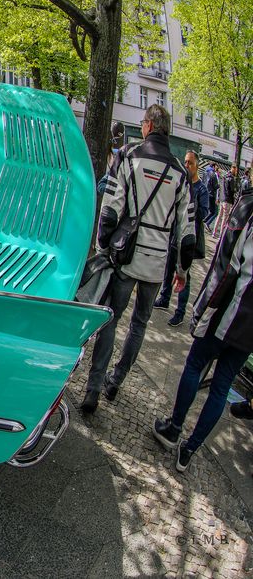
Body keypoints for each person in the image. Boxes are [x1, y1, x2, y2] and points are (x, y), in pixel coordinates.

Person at [81, 105, 196, 414]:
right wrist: (182, 272)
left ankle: (93, 388)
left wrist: (104, 245)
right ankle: (116, 380)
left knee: (111, 317)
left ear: (147, 126)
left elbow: (110, 209)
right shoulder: (180, 173)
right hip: (157, 263)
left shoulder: (129, 157)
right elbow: (187, 234)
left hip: (127, 256)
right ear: (166, 130)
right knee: (140, 324)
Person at [152, 191, 253, 472]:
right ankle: (190, 448)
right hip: (247, 328)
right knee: (222, 385)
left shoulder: (247, 206)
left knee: (196, 364)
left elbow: (226, 265)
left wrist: (202, 310)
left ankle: (174, 429)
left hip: (229, 310)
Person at [153, 151, 208, 326]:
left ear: (197, 165)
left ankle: (180, 311)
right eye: (185, 162)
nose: (186, 166)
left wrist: (191, 207)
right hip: (173, 236)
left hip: (187, 239)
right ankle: (164, 297)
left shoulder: (201, 188)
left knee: (184, 274)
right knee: (168, 269)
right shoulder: (181, 184)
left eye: (190, 163)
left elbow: (205, 213)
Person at [213, 164, 239, 238]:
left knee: (219, 216)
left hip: (222, 199)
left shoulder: (225, 176)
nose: (236, 171)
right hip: (227, 200)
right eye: (236, 169)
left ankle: (214, 233)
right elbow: (232, 190)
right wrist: (236, 188)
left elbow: (221, 187)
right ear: (233, 168)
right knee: (225, 218)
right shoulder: (231, 178)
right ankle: (221, 235)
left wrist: (219, 197)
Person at [202, 163, 220, 229]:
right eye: (216, 167)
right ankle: (206, 222)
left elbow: (203, 181)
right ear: (214, 166)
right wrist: (219, 185)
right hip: (211, 194)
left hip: (205, 192)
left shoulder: (205, 172)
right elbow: (215, 186)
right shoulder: (213, 174)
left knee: (206, 209)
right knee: (214, 212)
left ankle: (204, 221)